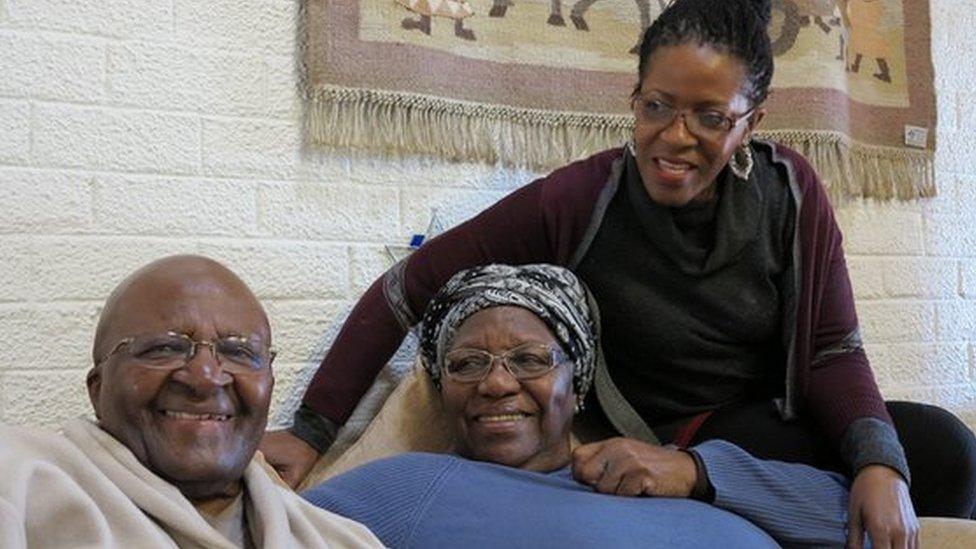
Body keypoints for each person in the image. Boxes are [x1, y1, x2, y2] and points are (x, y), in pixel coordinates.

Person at [263, 0, 976, 545]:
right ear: (633, 98)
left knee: (942, 452)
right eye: (656, 107)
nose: (674, 136)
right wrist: (310, 429)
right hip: (656, 438)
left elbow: (830, 349)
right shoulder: (579, 198)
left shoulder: (791, 193)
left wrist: (879, 460)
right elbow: (407, 286)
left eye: (709, 117)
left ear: (751, 122)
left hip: (771, 425)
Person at [303, 264, 856, 548]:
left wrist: (695, 473)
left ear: (579, 383)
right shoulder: (409, 488)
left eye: (528, 360)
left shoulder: (650, 471)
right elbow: (254, 527)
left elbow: (862, 525)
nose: (496, 384)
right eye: (467, 364)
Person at [0, 255, 382, 548]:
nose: (206, 377)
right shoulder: (18, 480)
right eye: (164, 348)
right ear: (97, 388)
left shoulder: (340, 539)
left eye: (238, 352)